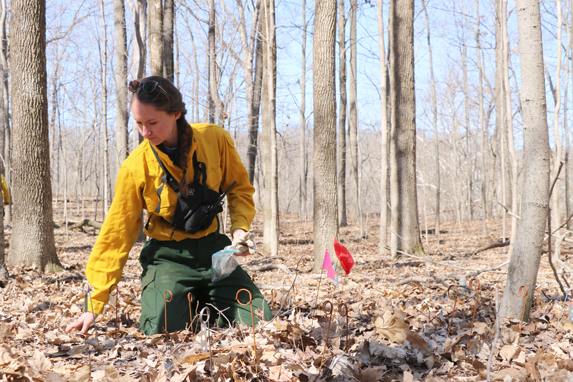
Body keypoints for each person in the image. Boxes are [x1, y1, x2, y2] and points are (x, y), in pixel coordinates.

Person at [66, 76, 272, 335]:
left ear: (176, 114)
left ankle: (203, 303)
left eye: (152, 122)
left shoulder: (215, 139)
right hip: (167, 257)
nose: (145, 132)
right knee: (162, 331)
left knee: (260, 321)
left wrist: (240, 229)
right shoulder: (135, 166)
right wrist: (95, 302)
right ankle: (187, 303)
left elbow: (240, 188)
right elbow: (117, 233)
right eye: (139, 123)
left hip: (214, 251)